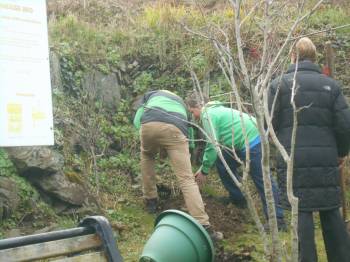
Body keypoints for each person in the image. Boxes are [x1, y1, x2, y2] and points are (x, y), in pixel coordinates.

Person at [268, 37, 350, 262]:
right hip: (325, 157)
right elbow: (345, 125)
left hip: (292, 158)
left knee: (300, 212)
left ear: (292, 56)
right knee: (331, 209)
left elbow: (269, 127)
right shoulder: (330, 85)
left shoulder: (279, 85)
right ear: (315, 57)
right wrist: (341, 153)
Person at [185, 93, 286, 230]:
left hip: (253, 139)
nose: (193, 116)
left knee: (262, 179)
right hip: (239, 142)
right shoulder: (215, 110)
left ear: (198, 106)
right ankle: (238, 199)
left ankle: (277, 220)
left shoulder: (208, 114)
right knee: (223, 164)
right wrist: (205, 165)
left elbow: (212, 145)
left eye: (192, 112)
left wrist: (204, 170)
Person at [133, 89, 222, 240]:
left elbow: (137, 119)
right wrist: (189, 155)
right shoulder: (182, 106)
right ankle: (204, 225)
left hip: (149, 125)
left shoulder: (150, 96)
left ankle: (151, 201)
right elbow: (189, 133)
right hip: (176, 130)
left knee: (147, 157)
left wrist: (143, 134)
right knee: (186, 179)